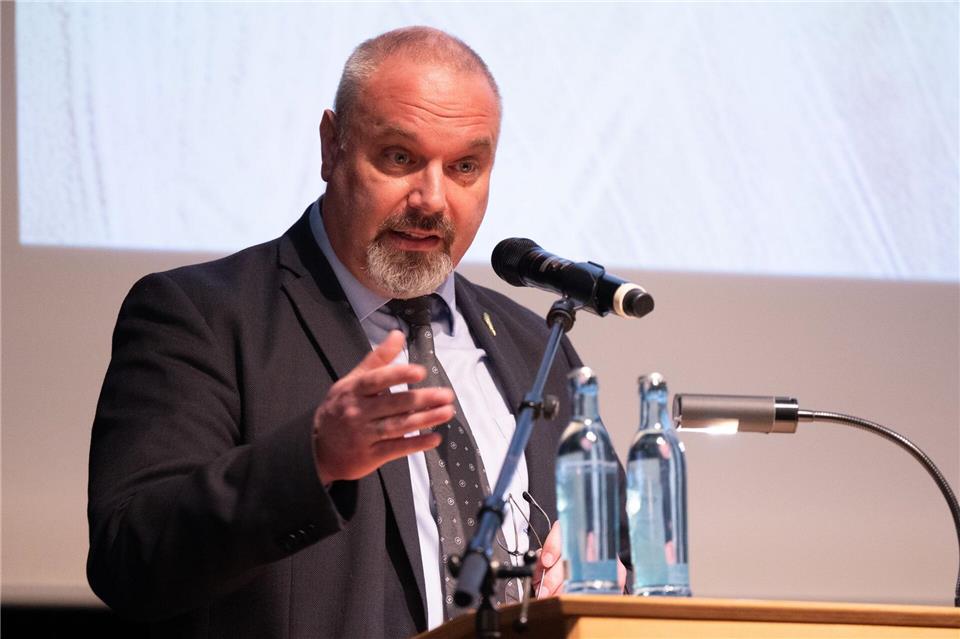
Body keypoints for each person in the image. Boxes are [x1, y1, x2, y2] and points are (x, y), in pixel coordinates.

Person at [87, 26, 624, 638]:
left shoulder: (536, 345)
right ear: (330, 146)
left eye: (465, 167)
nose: (432, 199)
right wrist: (312, 460)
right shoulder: (201, 315)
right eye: (399, 157)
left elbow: (614, 550)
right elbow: (130, 560)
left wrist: (598, 568)